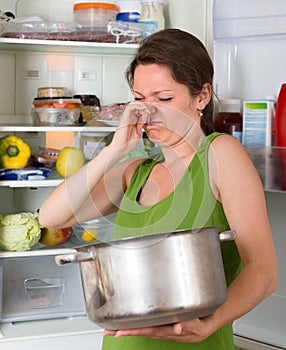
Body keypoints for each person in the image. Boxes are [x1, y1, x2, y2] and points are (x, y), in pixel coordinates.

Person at [39, 29, 278, 349]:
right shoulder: (135, 170)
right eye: (139, 99)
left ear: (202, 97)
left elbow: (263, 270)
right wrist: (113, 151)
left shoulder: (219, 154)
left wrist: (210, 323)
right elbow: (50, 217)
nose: (148, 111)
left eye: (164, 98)